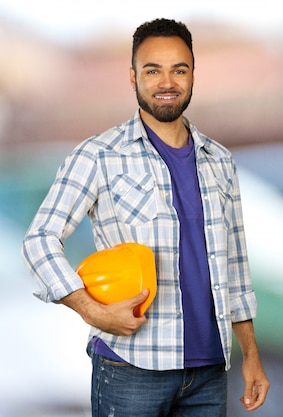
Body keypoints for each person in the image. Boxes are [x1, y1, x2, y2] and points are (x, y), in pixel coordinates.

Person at [21, 18, 269, 417]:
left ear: (192, 75)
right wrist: (94, 311)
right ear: (133, 76)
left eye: (179, 69)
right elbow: (39, 241)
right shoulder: (98, 155)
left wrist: (251, 356)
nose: (166, 81)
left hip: (209, 371)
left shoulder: (220, 160)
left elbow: (236, 268)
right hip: (130, 367)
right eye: (153, 70)